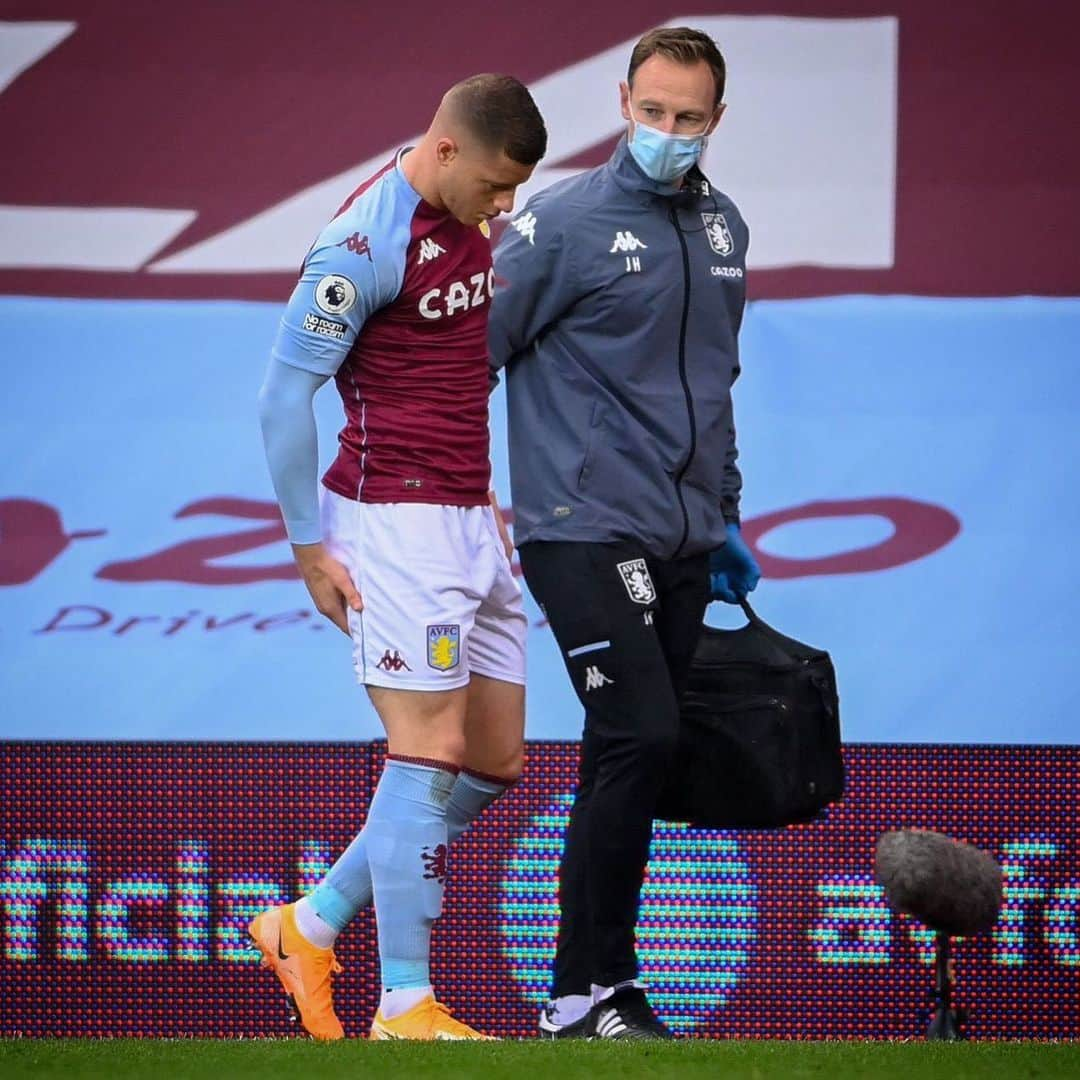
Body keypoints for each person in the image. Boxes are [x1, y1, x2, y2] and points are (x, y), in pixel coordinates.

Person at [251, 74, 546, 1041]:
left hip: (470, 515)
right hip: (391, 522)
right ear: (447, 149)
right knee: (430, 753)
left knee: (497, 760)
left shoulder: (468, 211)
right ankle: (406, 1006)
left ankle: (311, 921)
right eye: (497, 187)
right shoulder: (359, 243)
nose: (505, 209)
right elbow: (281, 399)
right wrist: (308, 548)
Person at [488, 28, 760, 1040]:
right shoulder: (559, 223)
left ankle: (584, 996)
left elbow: (714, 387)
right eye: (652, 112)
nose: (668, 134)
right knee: (643, 733)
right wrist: (435, 497)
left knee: (631, 752)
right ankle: (596, 987)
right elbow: (465, 355)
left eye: (689, 119)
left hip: (686, 538)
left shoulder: (727, 227)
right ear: (622, 99)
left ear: (717, 121)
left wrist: (723, 517)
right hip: (580, 526)